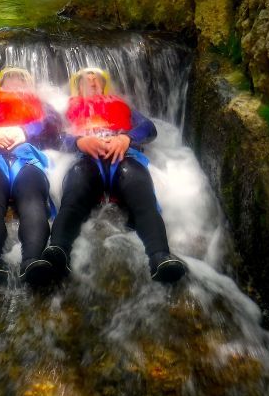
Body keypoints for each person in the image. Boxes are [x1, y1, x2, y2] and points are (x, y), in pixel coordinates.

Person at [41, 67, 186, 283]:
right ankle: (58, 251)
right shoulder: (66, 109)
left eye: (96, 79)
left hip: (124, 156)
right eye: (86, 80)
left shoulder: (122, 106)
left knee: (142, 195)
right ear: (77, 86)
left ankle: (160, 256)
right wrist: (78, 141)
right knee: (74, 193)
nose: (92, 82)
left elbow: (148, 129)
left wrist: (127, 138)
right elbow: (52, 136)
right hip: (86, 158)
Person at [0, 67, 63, 288]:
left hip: (27, 159)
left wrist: (25, 131)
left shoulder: (40, 105)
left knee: (32, 197)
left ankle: (32, 260)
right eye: (10, 80)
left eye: (22, 81)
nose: (16, 84)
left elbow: (55, 125)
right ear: (1, 86)